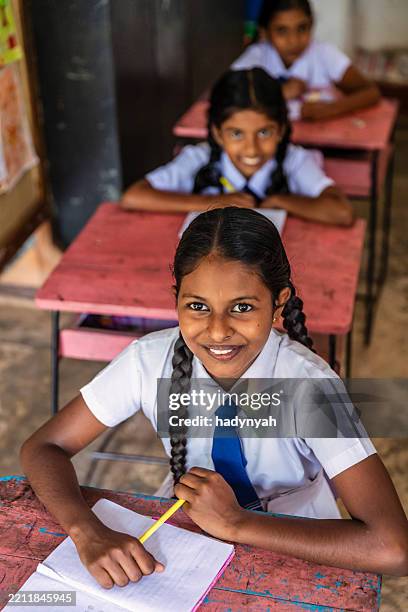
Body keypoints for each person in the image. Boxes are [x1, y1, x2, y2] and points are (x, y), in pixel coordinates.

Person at [21, 208, 408, 589]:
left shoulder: (311, 388)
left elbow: (393, 548)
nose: (218, 331)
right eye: (198, 306)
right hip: (183, 534)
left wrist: (236, 523)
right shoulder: (149, 360)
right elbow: (45, 446)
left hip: (300, 545)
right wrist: (86, 531)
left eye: (242, 307)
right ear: (176, 300)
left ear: (278, 303)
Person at [121, 68, 353, 226]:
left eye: (264, 132)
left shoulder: (293, 160)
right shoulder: (200, 158)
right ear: (217, 133)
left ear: (281, 130)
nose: (251, 149)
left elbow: (341, 212)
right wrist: (212, 204)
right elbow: (133, 197)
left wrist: (281, 201)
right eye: (236, 133)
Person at [232, 0, 381, 120]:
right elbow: (228, 95)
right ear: (265, 32)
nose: (294, 41)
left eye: (302, 28)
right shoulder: (258, 56)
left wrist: (330, 109)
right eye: (282, 31)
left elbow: (371, 92)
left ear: (311, 24)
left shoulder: (323, 54)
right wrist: (279, 93)